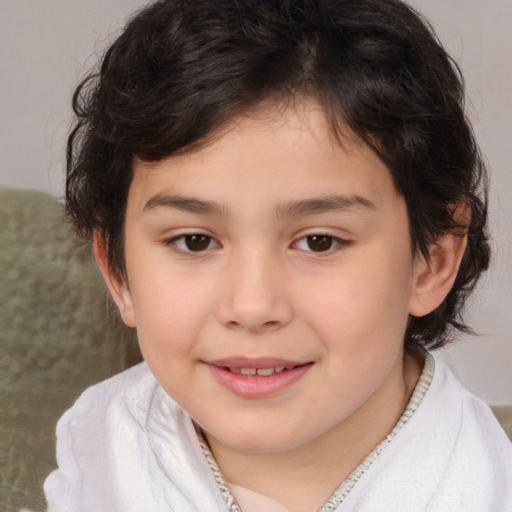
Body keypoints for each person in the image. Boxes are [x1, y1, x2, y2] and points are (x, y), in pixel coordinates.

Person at [43, 0, 512, 510]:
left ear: (432, 261)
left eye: (319, 241)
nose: (252, 306)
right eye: (194, 241)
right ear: (118, 272)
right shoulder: (101, 439)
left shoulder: (486, 487)